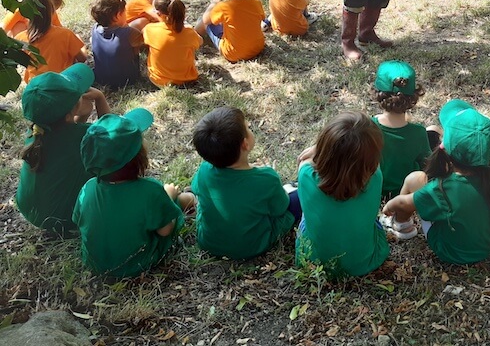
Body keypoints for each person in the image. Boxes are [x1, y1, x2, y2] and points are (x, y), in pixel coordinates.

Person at [381, 100, 490, 264]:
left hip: (450, 251)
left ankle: (402, 225)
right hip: (488, 246)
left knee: (414, 179)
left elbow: (403, 203)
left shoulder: (441, 189)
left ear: (444, 148)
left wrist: (387, 209)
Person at [73, 109, 195, 277]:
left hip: (96, 263)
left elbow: (79, 221)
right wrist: (169, 196)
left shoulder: (88, 188)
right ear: (139, 157)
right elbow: (165, 231)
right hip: (138, 264)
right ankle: (191, 200)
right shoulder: (150, 190)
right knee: (170, 204)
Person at [190, 107, 298, 260]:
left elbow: (196, 190)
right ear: (245, 144)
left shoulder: (203, 171)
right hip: (253, 246)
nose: (250, 128)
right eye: (248, 127)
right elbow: (280, 209)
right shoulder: (267, 178)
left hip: (208, 242)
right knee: (298, 198)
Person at [15, 64, 109, 235]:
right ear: (68, 114)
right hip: (64, 219)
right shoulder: (85, 136)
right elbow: (114, 136)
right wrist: (100, 99)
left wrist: (79, 115)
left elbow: (66, 136)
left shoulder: (36, 131)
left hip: (30, 210)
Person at [295, 111, 388, 278]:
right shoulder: (376, 177)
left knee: (306, 215)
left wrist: (319, 150)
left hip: (313, 263)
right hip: (366, 261)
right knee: (371, 220)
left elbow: (304, 162)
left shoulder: (305, 174)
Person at [370, 60, 430, 197]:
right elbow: (426, 165)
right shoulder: (418, 133)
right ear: (414, 96)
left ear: (377, 93)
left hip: (374, 192)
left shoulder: (368, 127)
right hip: (405, 193)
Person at [195, 0, 266, 62]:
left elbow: (206, 20)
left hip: (233, 53)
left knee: (203, 20)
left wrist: (212, 6)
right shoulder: (256, 3)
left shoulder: (224, 7)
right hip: (258, 48)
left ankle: (191, 38)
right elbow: (262, 17)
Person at [17, 0, 87, 83]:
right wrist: (83, 47)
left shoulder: (20, 39)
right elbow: (82, 59)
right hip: (62, 84)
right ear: (53, 11)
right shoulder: (66, 34)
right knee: (94, 88)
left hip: (34, 87)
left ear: (25, 14)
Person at [142, 0, 203, 87]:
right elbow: (200, 42)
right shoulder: (189, 32)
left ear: (158, 14)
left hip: (159, 81)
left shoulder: (150, 29)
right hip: (187, 80)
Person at [90, 0, 143, 89]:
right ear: (118, 15)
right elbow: (146, 43)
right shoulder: (130, 33)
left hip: (101, 78)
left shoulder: (94, 28)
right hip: (126, 80)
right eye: (125, 12)